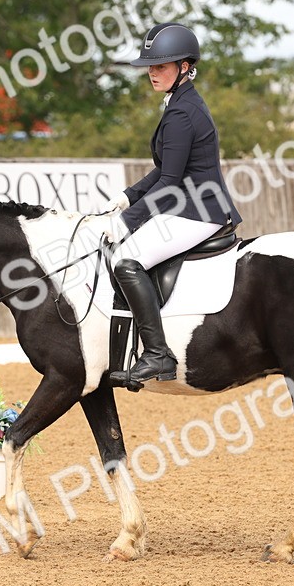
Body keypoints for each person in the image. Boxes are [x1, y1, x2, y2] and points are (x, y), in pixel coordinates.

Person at [100, 22, 243, 385]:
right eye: (150, 65)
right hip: (190, 203)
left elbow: (169, 183)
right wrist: (127, 197)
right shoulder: (180, 103)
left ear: (184, 67)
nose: (152, 72)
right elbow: (165, 170)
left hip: (198, 210)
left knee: (126, 259)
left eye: (160, 65)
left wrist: (127, 221)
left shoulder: (182, 113)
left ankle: (158, 355)